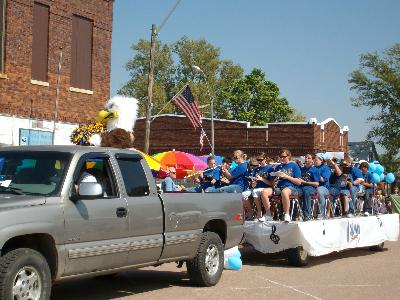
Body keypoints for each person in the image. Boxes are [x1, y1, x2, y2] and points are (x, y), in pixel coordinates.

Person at [270, 148, 302, 222]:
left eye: (284, 156)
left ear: (289, 156)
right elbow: (273, 182)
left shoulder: (294, 166)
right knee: (264, 192)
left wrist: (286, 176)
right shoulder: (278, 167)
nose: (282, 158)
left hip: (291, 187)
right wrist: (275, 181)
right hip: (279, 187)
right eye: (281, 156)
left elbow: (299, 182)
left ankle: (286, 214)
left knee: (284, 192)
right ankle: (268, 214)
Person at [297, 153, 320, 221]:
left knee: (306, 191)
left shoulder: (315, 169)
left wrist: (305, 182)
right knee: (293, 191)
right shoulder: (301, 169)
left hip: (311, 188)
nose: (306, 159)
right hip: (301, 187)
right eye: (306, 157)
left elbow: (317, 183)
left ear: (312, 160)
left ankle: (307, 215)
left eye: (308, 158)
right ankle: (294, 214)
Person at [314, 153, 331, 219]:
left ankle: (321, 213)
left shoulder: (325, 168)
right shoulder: (313, 168)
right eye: (314, 160)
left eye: (316, 160)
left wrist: (315, 173)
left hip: (324, 187)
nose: (314, 161)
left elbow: (323, 180)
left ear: (321, 160)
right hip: (313, 186)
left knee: (319, 190)